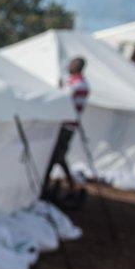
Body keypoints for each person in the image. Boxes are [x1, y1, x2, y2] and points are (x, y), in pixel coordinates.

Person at [42, 57, 90, 204]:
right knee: (58, 155)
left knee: (56, 155)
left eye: (72, 64)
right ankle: (68, 185)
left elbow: (63, 99)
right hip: (64, 125)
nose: (69, 66)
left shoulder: (78, 84)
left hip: (66, 126)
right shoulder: (74, 82)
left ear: (78, 67)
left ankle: (55, 185)